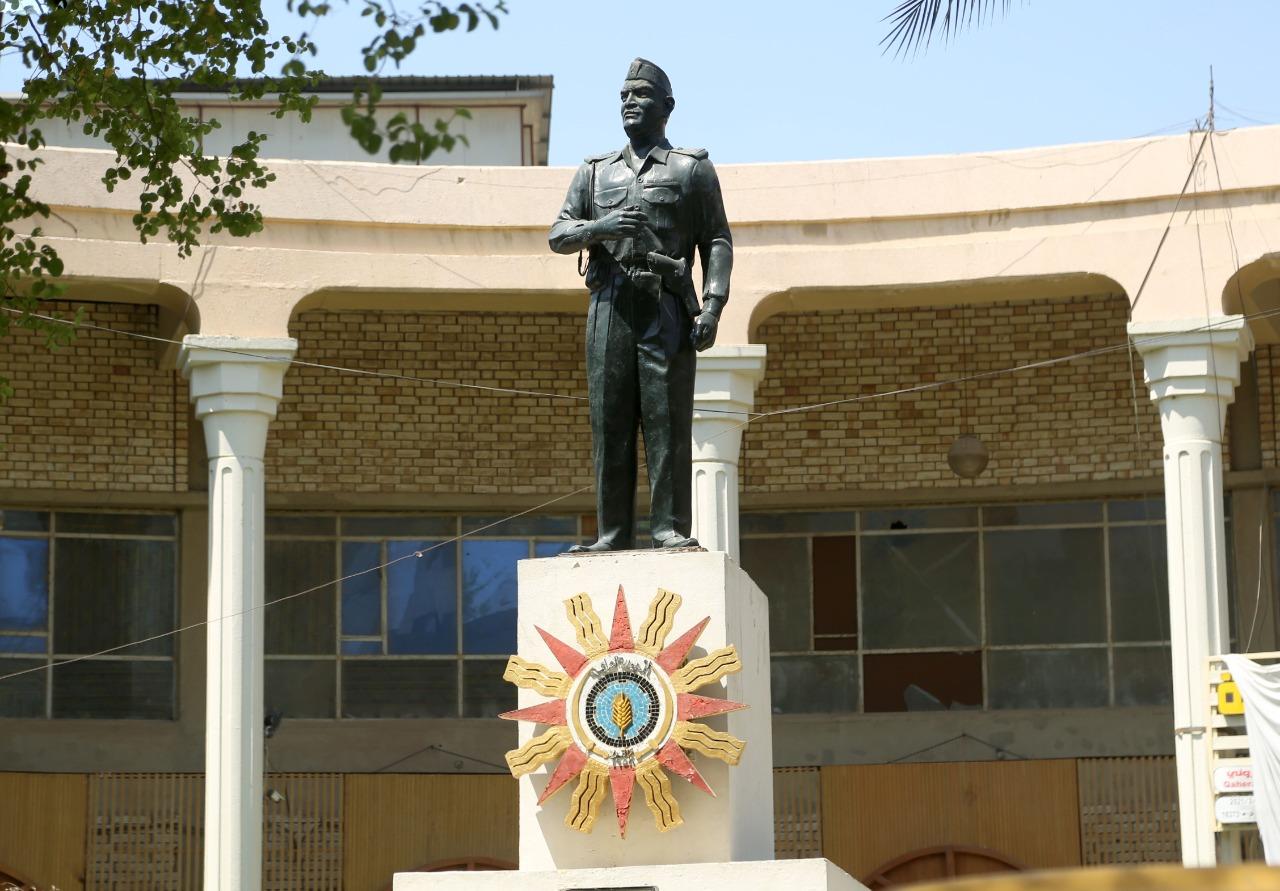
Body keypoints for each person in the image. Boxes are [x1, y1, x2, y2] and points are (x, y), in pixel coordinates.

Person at [549, 58, 733, 552]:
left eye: (641, 95)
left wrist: (712, 306)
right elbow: (559, 234)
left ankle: (669, 528)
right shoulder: (594, 172)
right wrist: (599, 228)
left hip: (665, 305)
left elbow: (717, 240)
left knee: (665, 421)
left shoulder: (691, 169)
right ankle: (611, 534)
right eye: (624, 96)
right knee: (609, 421)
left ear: (667, 106)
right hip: (609, 305)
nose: (630, 103)